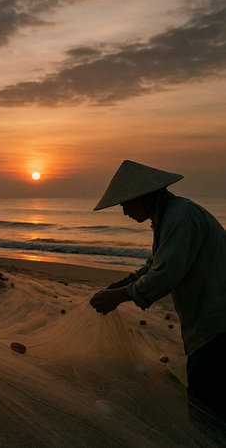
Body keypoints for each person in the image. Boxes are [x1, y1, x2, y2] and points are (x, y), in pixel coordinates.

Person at [89, 160, 226, 422]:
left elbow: (165, 276)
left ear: (144, 197)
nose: (125, 211)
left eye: (126, 203)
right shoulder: (169, 216)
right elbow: (155, 265)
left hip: (218, 327)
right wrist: (120, 285)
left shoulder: (179, 218)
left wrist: (118, 297)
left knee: (208, 414)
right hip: (208, 326)